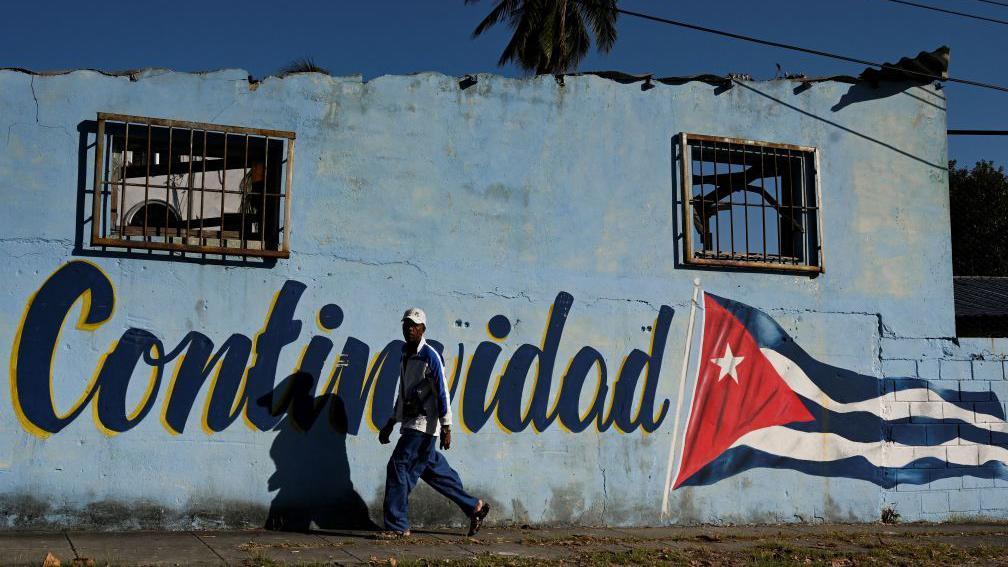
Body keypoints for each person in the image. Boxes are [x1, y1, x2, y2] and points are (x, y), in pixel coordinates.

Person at [378, 307, 491, 537]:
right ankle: (474, 507)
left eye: (415, 326)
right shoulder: (405, 354)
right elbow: (404, 392)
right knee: (432, 470)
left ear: (423, 329)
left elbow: (442, 392)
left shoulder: (430, 355)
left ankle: (397, 525)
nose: (410, 329)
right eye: (407, 325)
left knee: (399, 467)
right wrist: (391, 421)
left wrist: (446, 426)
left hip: (423, 425)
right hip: (411, 422)